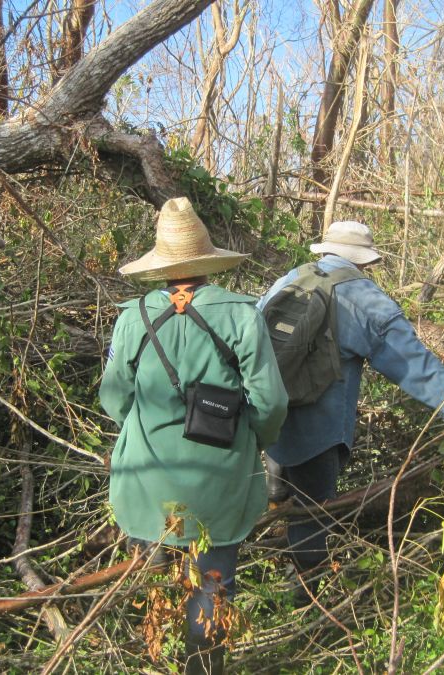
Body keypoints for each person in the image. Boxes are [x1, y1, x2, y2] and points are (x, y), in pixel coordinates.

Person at [259, 220, 444, 601]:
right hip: (319, 432)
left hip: (270, 421)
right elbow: (415, 367)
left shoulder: (291, 278)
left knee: (282, 502)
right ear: (364, 261)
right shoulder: (366, 300)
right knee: (312, 518)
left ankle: (267, 571)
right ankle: (306, 608)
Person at [99, 197, 288, 674]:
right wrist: (254, 441)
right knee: (212, 588)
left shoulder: (131, 318)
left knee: (155, 589)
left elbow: (113, 400)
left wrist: (145, 430)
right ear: (205, 262)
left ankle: (153, 662)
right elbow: (271, 403)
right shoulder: (242, 315)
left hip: (144, 482)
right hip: (220, 481)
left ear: (162, 266)